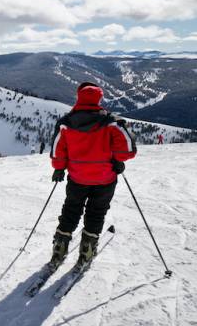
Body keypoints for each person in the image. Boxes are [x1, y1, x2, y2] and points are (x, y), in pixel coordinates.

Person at [48, 82, 137, 271]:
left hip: (77, 177)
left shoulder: (66, 122)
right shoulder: (111, 121)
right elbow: (128, 150)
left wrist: (59, 168)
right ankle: (87, 250)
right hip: (105, 178)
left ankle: (59, 247)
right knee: (96, 212)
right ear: (99, 99)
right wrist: (117, 160)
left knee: (71, 209)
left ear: (79, 97)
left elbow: (58, 149)